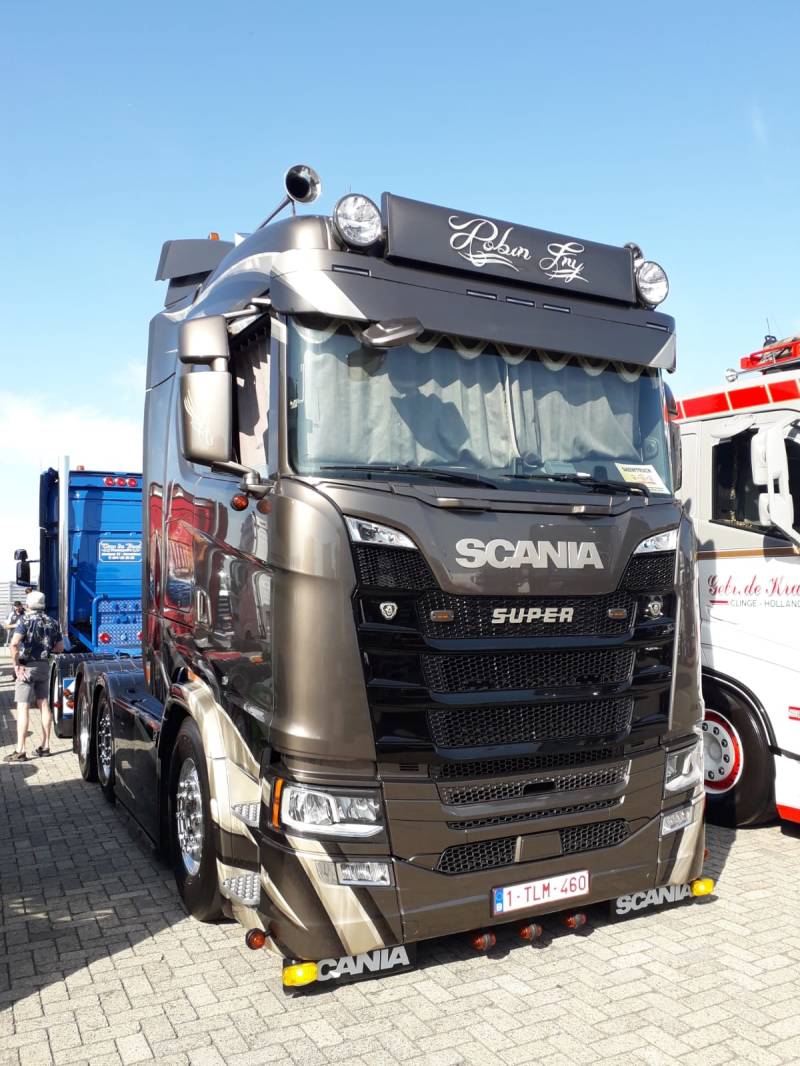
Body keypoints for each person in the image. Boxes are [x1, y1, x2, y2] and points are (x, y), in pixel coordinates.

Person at [5, 592, 63, 762]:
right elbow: (60, 647)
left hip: (26, 667)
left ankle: (20, 750)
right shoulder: (53, 622)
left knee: (22, 706)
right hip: (44, 666)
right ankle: (45, 746)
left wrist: (16, 665)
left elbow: (14, 644)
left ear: (28, 604)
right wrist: (46, 651)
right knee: (44, 704)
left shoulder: (24, 621)